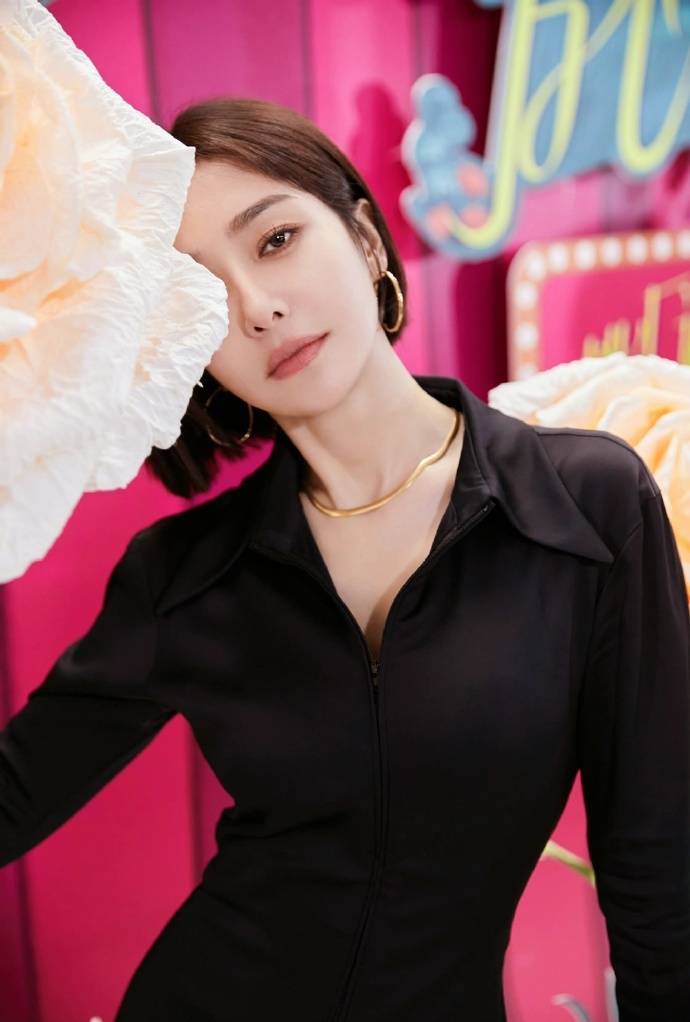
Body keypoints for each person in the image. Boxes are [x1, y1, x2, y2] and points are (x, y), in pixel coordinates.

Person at [1, 96, 689, 1022]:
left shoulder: (583, 505)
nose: (258, 308)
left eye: (276, 240)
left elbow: (658, 863)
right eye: (202, 293)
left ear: (364, 238)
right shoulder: (184, 576)